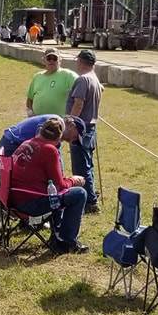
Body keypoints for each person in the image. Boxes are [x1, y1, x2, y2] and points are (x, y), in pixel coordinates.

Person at [8, 116, 90, 254]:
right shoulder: (49, 150)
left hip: (12, 199)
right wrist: (74, 180)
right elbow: (60, 186)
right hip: (30, 203)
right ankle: (67, 241)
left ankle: (57, 234)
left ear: (40, 131)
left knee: (57, 195)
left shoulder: (26, 143)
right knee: (79, 194)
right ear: (58, 140)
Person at [65, 49, 103, 212]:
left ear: (80, 62)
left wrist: (70, 123)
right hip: (91, 128)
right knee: (88, 164)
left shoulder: (83, 80)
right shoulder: (95, 79)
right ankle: (91, 195)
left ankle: (89, 202)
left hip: (81, 129)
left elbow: (78, 103)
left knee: (81, 166)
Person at [0, 114, 83, 157]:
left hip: (14, 143)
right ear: (71, 125)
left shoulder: (58, 136)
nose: (71, 141)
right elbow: (38, 143)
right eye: (75, 137)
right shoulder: (55, 123)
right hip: (12, 143)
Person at [26, 48, 78, 118]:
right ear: (44, 60)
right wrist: (31, 114)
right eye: (49, 58)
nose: (52, 61)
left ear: (60, 60)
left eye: (55, 58)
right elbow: (29, 99)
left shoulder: (69, 75)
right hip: (38, 121)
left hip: (59, 123)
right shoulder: (37, 77)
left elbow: (80, 95)